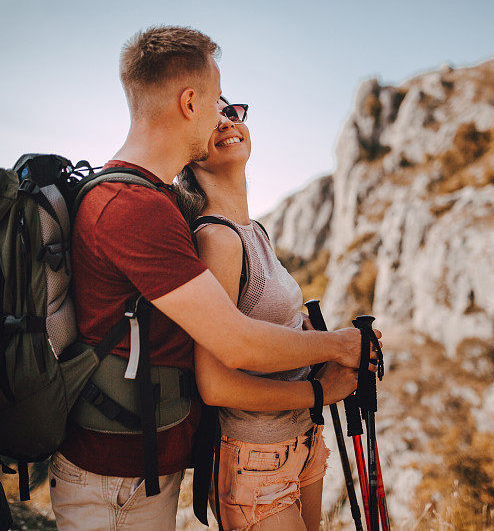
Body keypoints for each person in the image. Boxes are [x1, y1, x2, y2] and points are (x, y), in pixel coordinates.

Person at [49, 26, 378, 531]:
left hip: (139, 467)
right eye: (216, 100)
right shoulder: (134, 209)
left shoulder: (154, 202)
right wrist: (338, 350)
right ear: (189, 102)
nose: (222, 116)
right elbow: (235, 344)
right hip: (113, 483)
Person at [175, 97, 336, 530]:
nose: (227, 121)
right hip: (255, 459)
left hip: (302, 440)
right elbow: (215, 383)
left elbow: (271, 325)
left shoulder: (253, 230)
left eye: (231, 111)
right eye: (210, 116)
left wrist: (327, 346)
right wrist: (323, 392)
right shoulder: (218, 240)